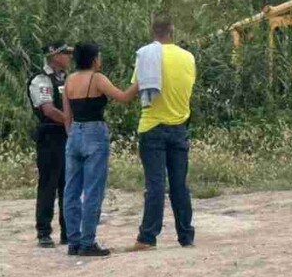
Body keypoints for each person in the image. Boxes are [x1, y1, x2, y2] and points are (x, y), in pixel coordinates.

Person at [62, 42, 139, 257]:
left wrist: (71, 135)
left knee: (71, 191)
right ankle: (88, 242)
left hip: (74, 133)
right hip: (95, 133)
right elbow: (123, 97)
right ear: (95, 59)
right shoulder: (97, 79)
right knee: (93, 190)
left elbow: (67, 115)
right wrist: (140, 81)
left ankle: (74, 241)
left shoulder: (69, 80)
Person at [127, 18, 196, 252]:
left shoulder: (147, 56)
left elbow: (138, 87)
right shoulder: (188, 58)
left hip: (152, 126)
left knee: (155, 185)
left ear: (152, 33)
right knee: (179, 184)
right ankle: (186, 235)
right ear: (172, 32)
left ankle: (147, 237)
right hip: (179, 126)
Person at [27, 41, 73, 248]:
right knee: (48, 184)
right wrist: (70, 122)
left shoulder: (66, 79)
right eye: (65, 54)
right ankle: (44, 231)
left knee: (67, 184)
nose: (69, 57)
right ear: (55, 56)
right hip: (50, 136)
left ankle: (68, 230)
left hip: (66, 136)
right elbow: (48, 110)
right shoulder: (41, 80)